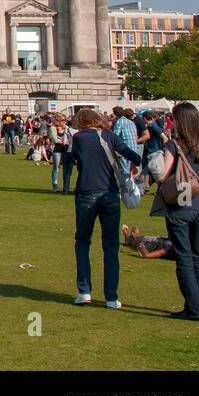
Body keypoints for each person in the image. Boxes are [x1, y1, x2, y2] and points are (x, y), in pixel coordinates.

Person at [147, 102, 199, 320]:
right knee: (197, 255)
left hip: (180, 203)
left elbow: (162, 176)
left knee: (184, 257)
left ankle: (193, 308)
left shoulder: (174, 146)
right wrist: (196, 178)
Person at [68, 107, 141, 308]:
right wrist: (133, 168)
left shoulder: (79, 138)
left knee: (83, 241)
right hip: (109, 192)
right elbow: (134, 156)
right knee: (110, 246)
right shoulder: (109, 135)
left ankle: (84, 291)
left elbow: (72, 159)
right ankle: (111, 297)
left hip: (86, 192)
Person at [123, 225, 199, 260]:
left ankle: (132, 237)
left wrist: (139, 243)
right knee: (145, 239)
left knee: (143, 239)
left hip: (160, 243)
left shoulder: (172, 248)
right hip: (185, 240)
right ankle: (133, 237)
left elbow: (147, 255)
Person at [49, 111, 74, 194]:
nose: (65, 121)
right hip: (57, 149)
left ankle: (65, 187)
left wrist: (65, 142)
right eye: (63, 120)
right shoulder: (53, 128)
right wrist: (64, 141)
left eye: (65, 120)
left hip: (66, 150)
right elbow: (55, 139)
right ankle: (55, 186)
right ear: (58, 120)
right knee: (56, 168)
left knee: (65, 169)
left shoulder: (67, 128)